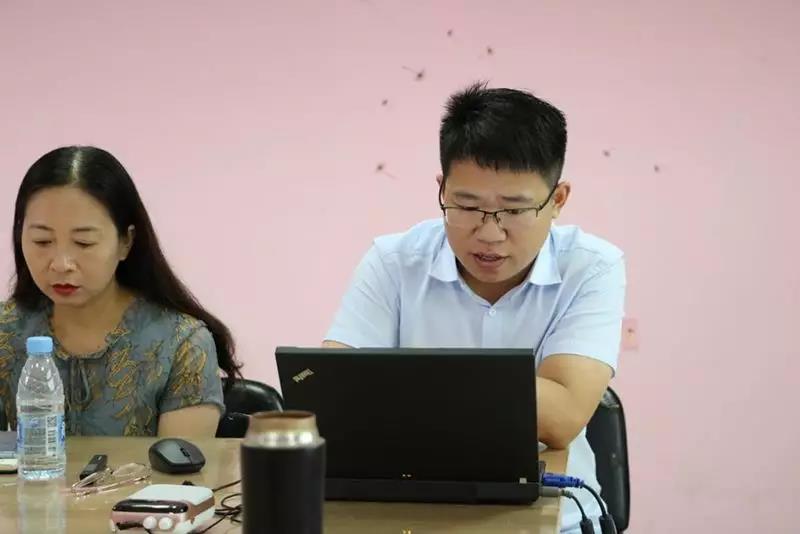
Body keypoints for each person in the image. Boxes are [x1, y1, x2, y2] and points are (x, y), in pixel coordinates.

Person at [323, 82, 626, 532]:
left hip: (554, 517)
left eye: (514, 210)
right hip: (406, 513)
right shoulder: (394, 261)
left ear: (557, 200)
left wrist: (399, 382)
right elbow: (335, 395)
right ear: (442, 188)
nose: (489, 234)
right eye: (466, 206)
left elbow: (561, 417)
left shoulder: (592, 267)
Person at [0, 146, 241, 437]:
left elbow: (181, 466)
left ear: (126, 242)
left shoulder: (182, 345)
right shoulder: (6, 332)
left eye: (84, 243)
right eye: (42, 241)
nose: (61, 264)